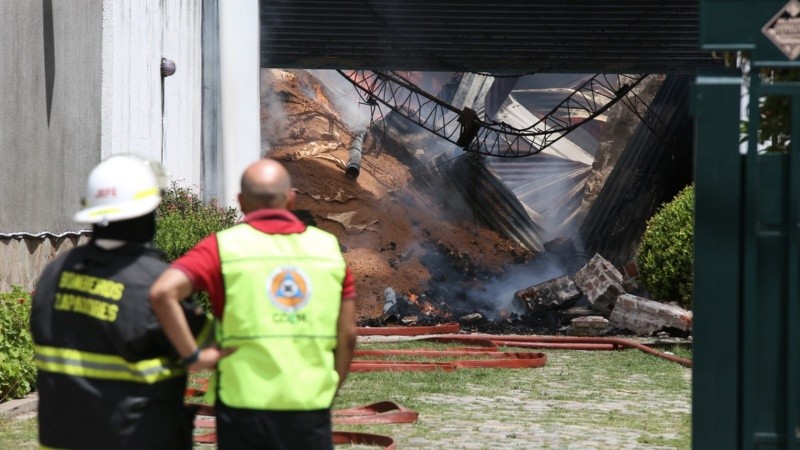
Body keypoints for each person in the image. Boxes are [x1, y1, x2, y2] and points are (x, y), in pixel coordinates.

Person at [150, 158, 358, 450]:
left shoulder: (222, 246)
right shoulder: (328, 249)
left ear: (240, 202)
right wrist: (331, 389)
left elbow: (163, 292)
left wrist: (193, 356)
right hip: (309, 404)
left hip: (242, 406)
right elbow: (347, 334)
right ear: (292, 199)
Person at [30, 155, 214, 450]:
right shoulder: (156, 282)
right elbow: (202, 345)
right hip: (138, 438)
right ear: (147, 214)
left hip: (61, 439)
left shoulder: (55, 272)